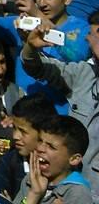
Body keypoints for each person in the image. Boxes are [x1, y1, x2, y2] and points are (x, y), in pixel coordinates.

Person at [19, 11, 99, 193]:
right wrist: (30, 46)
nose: (87, 40)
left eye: (92, 35)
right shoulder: (84, 75)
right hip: (65, 187)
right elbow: (38, 68)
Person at [11, 114, 92, 204]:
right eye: (40, 141)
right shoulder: (31, 179)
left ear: (74, 159)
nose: (40, 148)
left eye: (51, 147)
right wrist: (34, 194)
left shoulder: (78, 194)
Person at [0, 93, 55, 200]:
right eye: (14, 128)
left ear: (44, 132)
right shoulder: (8, 163)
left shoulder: (58, 165)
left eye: (23, 131)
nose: (15, 136)